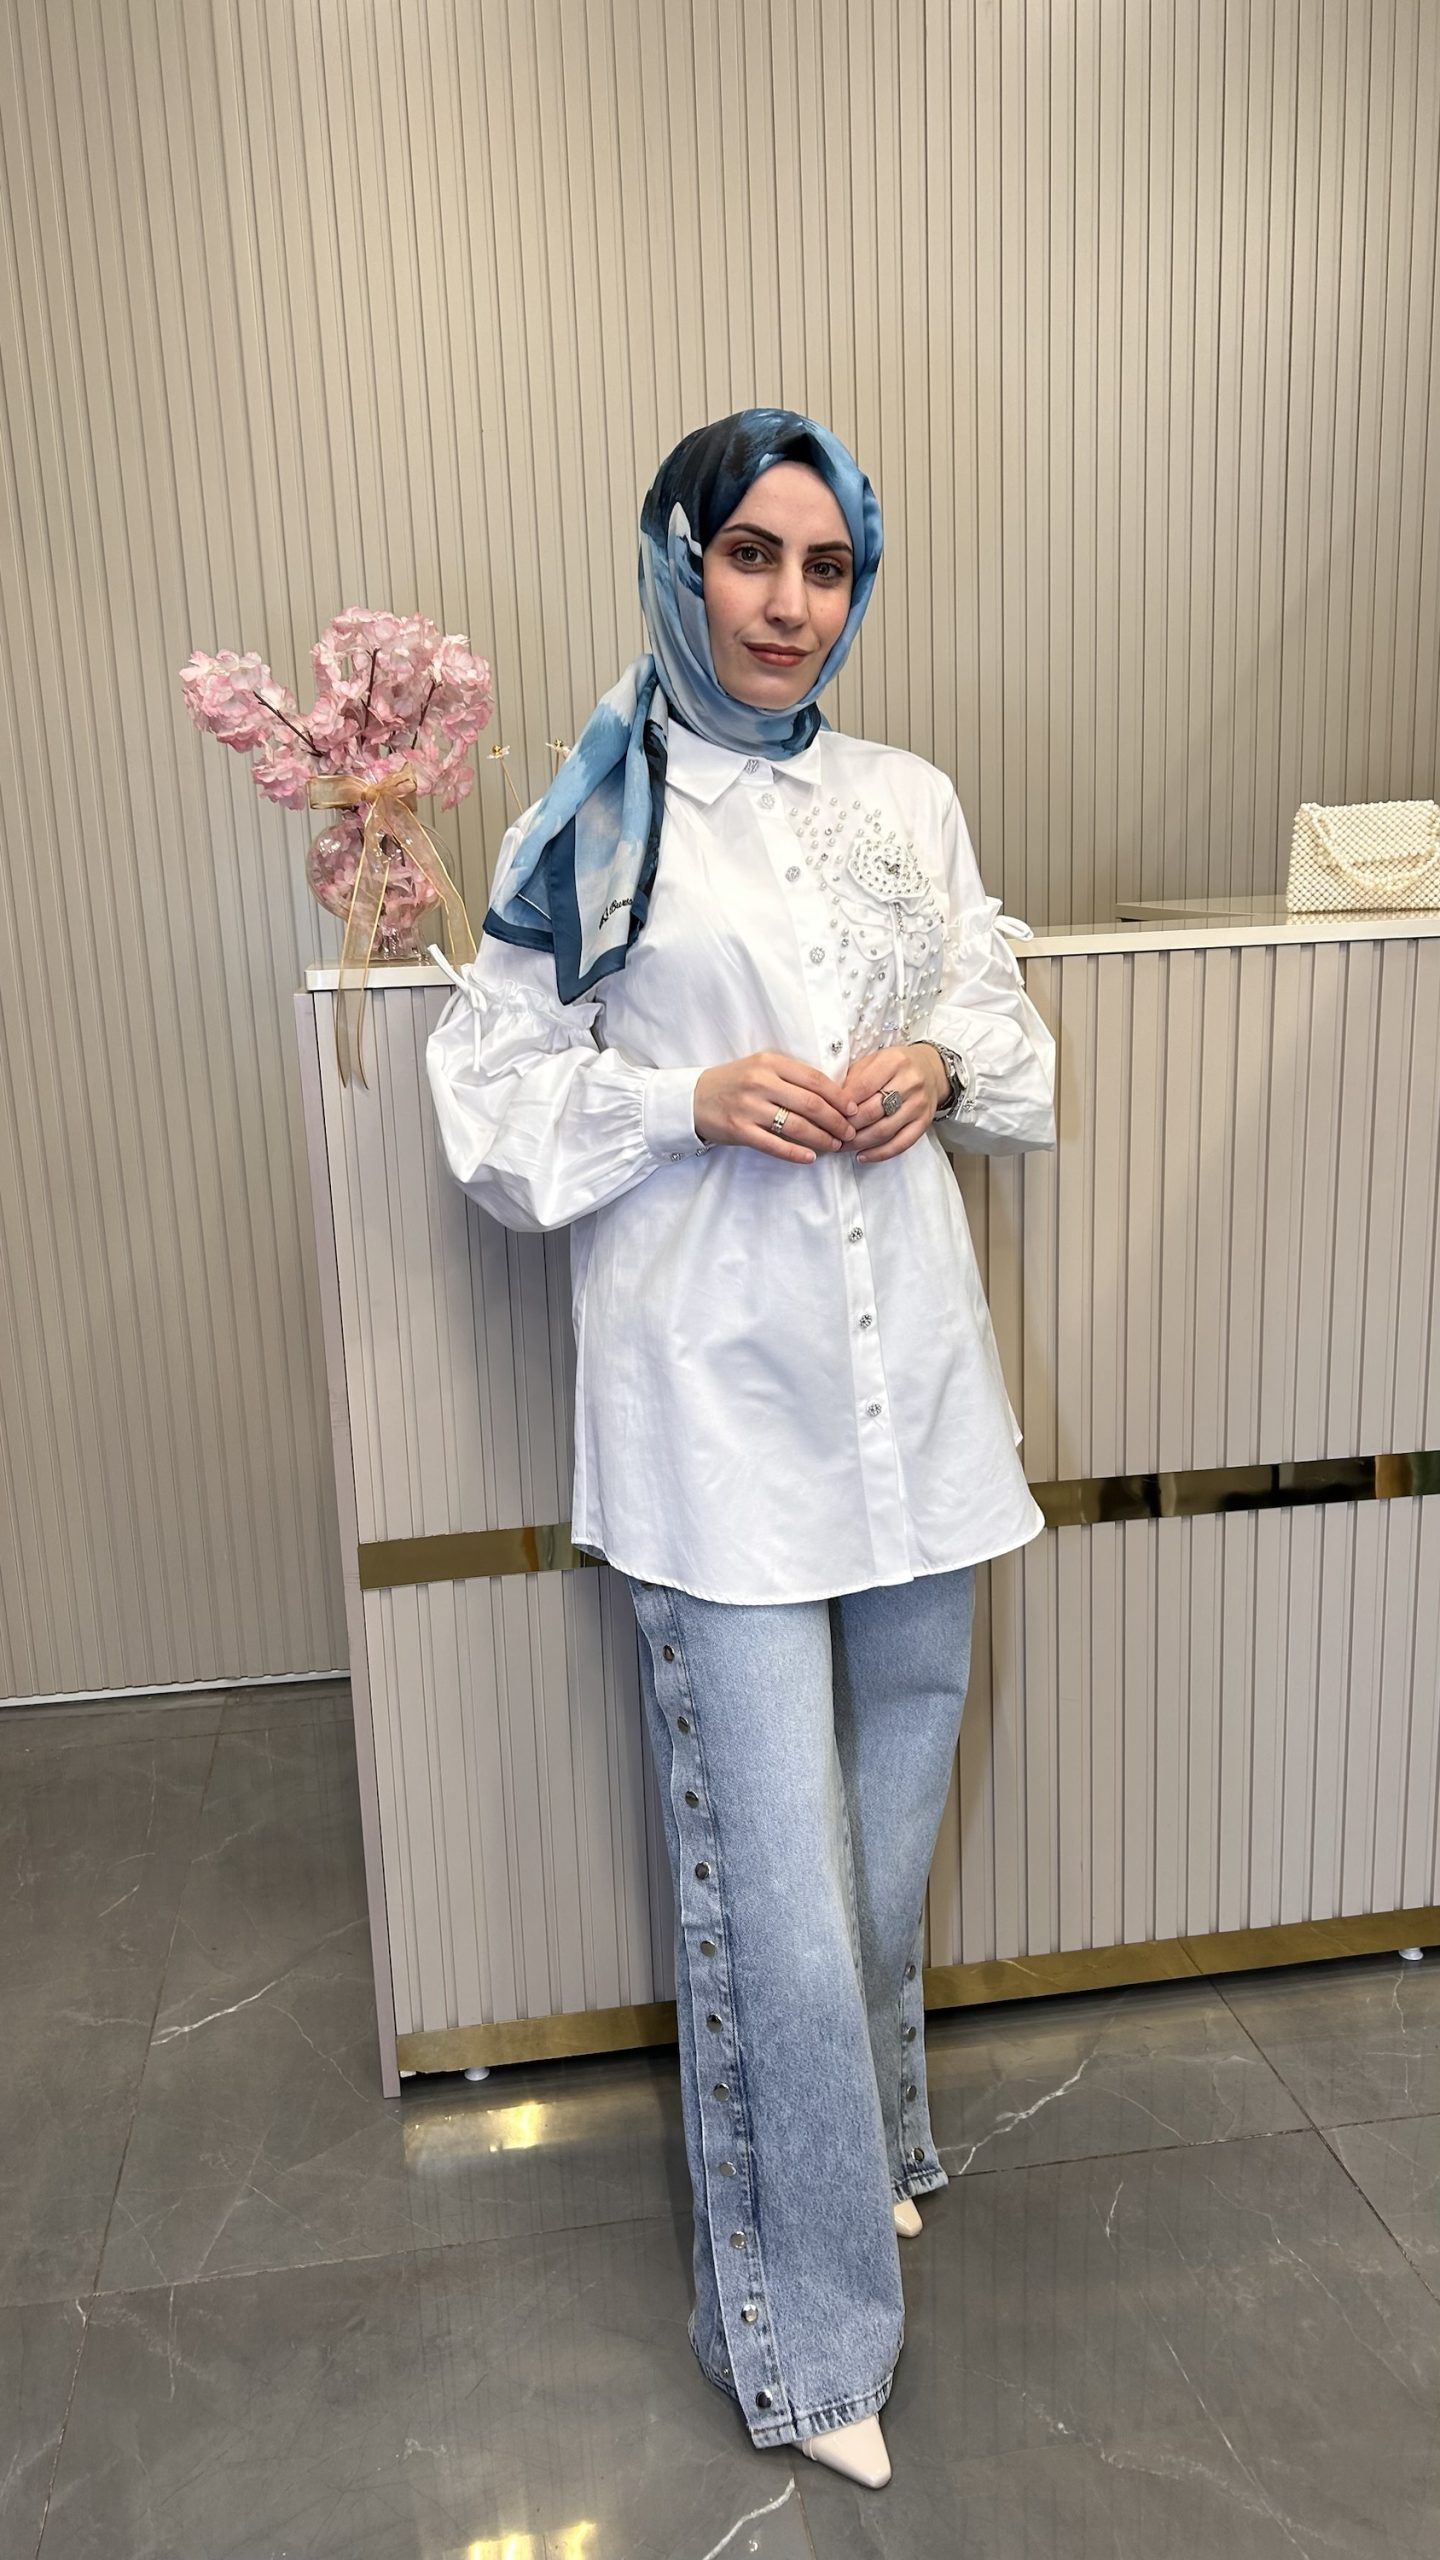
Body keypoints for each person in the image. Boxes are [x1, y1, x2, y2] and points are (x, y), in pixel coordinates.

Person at [425, 408, 1055, 2489]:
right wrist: (688, 1099)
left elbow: (1004, 1011)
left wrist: (936, 1058)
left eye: (828, 565)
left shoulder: (907, 797)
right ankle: (803, 2333)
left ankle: (863, 2151)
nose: (792, 603)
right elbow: (487, 1094)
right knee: (771, 1898)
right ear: (680, 560)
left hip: (915, 1408)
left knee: (877, 1853)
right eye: (753, 556)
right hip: (717, 1429)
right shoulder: (600, 810)